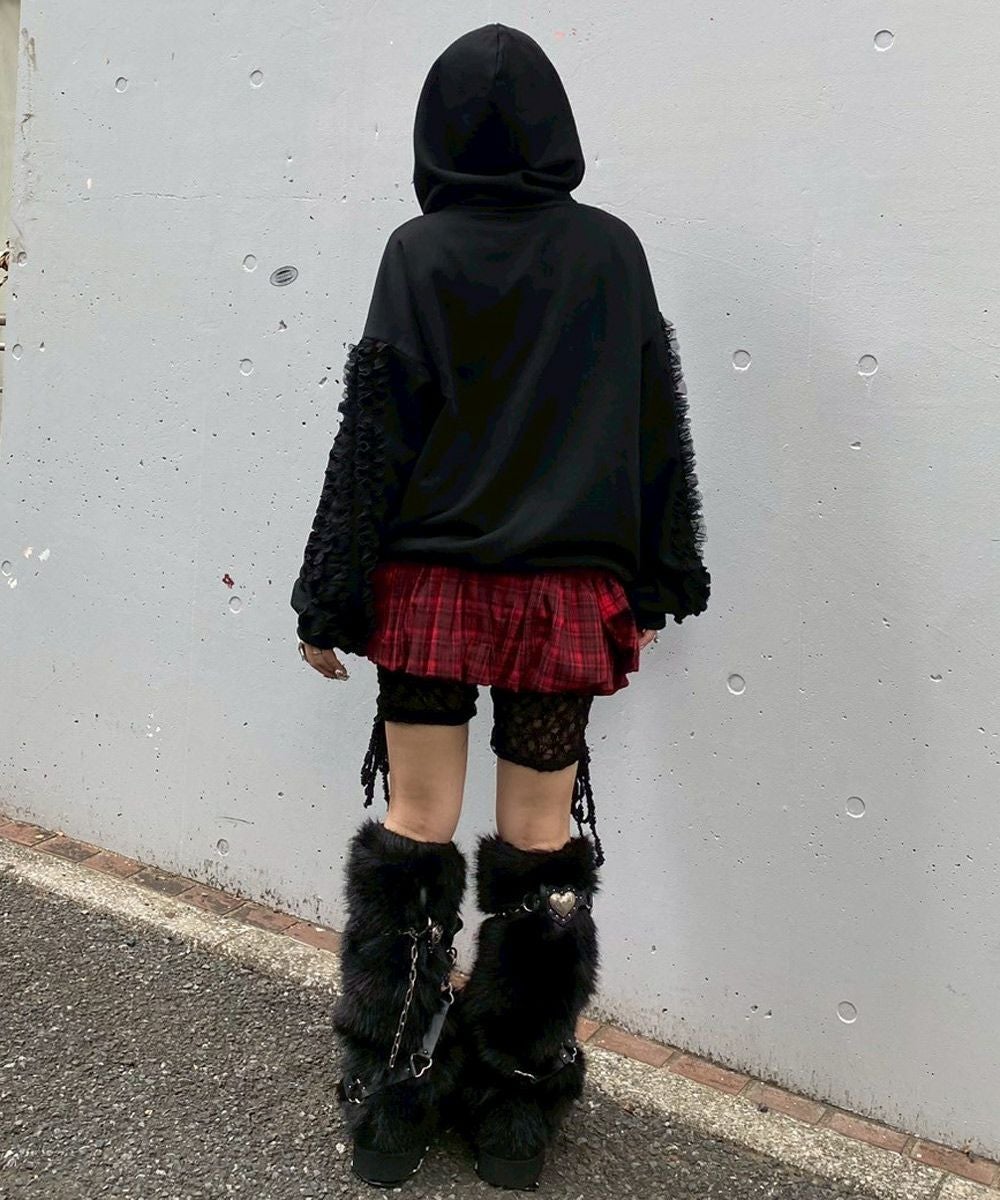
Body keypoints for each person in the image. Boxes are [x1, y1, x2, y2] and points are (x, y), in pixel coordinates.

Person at [289, 22, 711, 1191]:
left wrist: (327, 595)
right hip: (561, 593)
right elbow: (653, 417)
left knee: (414, 825)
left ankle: (391, 1098)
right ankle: (517, 1107)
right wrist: (659, 574)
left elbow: (375, 430)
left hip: (429, 584)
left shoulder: (416, 252)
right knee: (540, 841)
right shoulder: (610, 250)